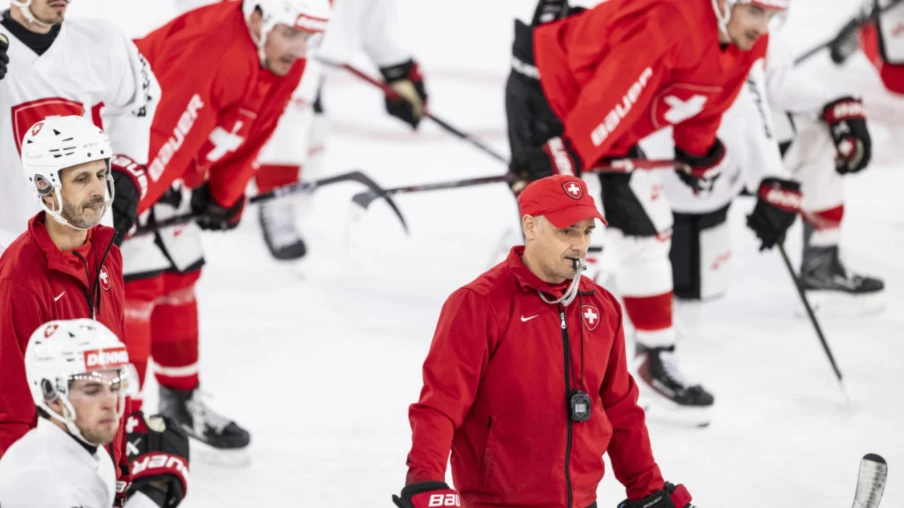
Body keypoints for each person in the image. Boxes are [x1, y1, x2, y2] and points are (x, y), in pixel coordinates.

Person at [503, 0, 798, 426]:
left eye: (772, 15)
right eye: (756, 11)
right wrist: (569, 152)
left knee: (648, 234)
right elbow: (617, 90)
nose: (763, 26)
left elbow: (710, 99)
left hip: (602, 114)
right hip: (549, 86)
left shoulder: (745, 40)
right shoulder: (673, 24)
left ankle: (656, 359)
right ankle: (536, 373)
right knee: (572, 241)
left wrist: (697, 153)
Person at [394, 175, 695, 508]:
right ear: (531, 226)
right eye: (566, 231)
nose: (580, 244)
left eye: (587, 231)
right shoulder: (479, 304)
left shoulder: (601, 307)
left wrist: (647, 487)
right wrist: (426, 480)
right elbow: (440, 405)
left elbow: (621, 410)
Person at [115, 0, 330, 456]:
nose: (299, 48)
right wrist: (122, 206)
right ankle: (125, 422)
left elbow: (257, 128)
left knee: (180, 276)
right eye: (291, 33)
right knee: (136, 283)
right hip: (125, 161)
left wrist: (223, 194)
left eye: (309, 37)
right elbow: (161, 134)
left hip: (162, 172)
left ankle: (179, 402)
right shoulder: (213, 49)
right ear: (259, 16)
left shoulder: (282, 60)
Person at [0, 115, 132, 492]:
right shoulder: (19, 280)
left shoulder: (108, 255)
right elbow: (10, 407)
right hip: (52, 481)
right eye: (81, 179)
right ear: (45, 186)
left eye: (101, 174)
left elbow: (114, 362)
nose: (99, 191)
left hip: (101, 465)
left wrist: (121, 467)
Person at [0, 0, 159, 252]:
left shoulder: (101, 42)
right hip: (8, 241)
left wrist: (126, 169)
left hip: (85, 237)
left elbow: (140, 96)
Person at [0, 319, 189, 508]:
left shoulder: (89, 453)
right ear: (54, 398)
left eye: (115, 387)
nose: (110, 402)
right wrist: (153, 493)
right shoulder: (47, 482)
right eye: (92, 390)